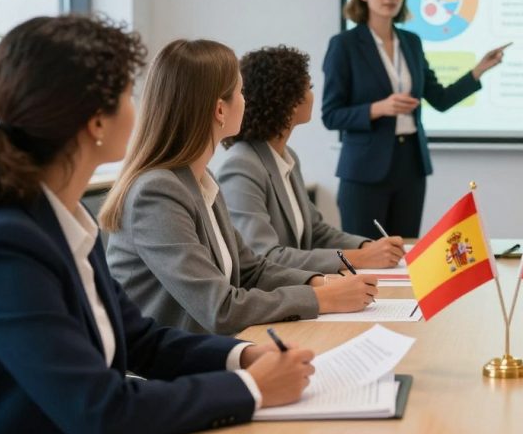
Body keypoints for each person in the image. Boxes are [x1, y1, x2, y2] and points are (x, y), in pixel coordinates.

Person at [0, 15, 315, 434]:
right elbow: (102, 411)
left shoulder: (66, 220)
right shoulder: (11, 245)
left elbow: (142, 341)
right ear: (97, 122)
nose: (139, 108)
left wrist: (244, 356)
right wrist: (251, 388)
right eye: (129, 93)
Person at [102, 39, 378, 335]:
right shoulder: (157, 193)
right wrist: (321, 298)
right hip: (171, 359)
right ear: (220, 110)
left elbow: (251, 270)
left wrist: (320, 282)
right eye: (241, 92)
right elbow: (219, 309)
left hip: (209, 348)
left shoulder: (199, 179)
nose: (246, 101)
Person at [322, 0, 507, 237]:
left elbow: (440, 99)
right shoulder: (344, 45)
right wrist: (379, 108)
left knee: (406, 252)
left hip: (410, 166)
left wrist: (478, 70)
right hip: (364, 170)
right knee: (367, 252)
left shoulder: (411, 42)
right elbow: (331, 115)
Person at [218, 45, 405, 271]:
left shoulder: (287, 157)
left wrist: (367, 247)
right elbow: (264, 257)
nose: (312, 96)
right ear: (288, 100)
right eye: (310, 87)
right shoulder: (241, 166)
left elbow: (316, 231)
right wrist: (360, 257)